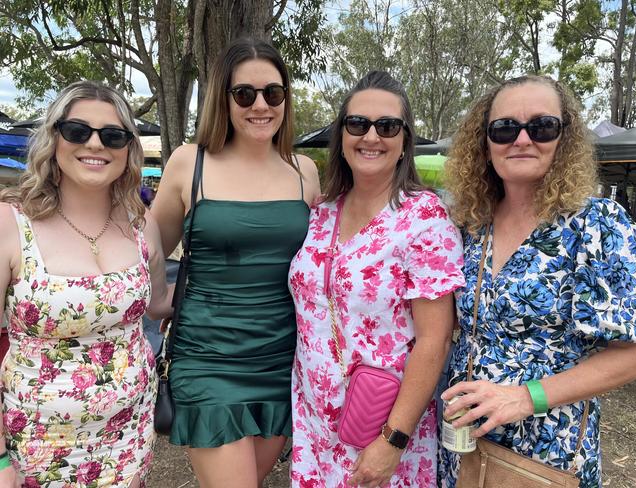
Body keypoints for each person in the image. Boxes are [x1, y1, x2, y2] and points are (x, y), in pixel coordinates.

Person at [438, 74, 636, 488]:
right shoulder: (470, 224)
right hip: (461, 443)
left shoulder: (597, 226)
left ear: (563, 139)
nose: (521, 140)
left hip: (547, 453)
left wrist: (525, 397)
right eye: (504, 128)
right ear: (484, 142)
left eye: (541, 126)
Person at [151, 38, 320, 487]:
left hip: (281, 359)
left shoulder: (305, 171)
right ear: (223, 99)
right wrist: (158, 299)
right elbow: (151, 245)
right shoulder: (190, 163)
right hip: (207, 359)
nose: (260, 105)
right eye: (244, 93)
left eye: (273, 93)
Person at [289, 71, 465, 486]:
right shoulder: (322, 211)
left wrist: (393, 440)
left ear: (405, 140)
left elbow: (434, 340)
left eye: (386, 126)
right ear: (341, 135)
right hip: (313, 422)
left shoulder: (424, 218)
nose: (371, 136)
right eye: (357, 124)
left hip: (381, 426)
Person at [0, 81, 173, 487]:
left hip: (129, 441)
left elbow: (160, 304)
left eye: (112, 135)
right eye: (78, 131)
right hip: (36, 449)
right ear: (54, 139)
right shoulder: (10, 225)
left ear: (127, 149)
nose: (95, 144)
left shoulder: (140, 226)